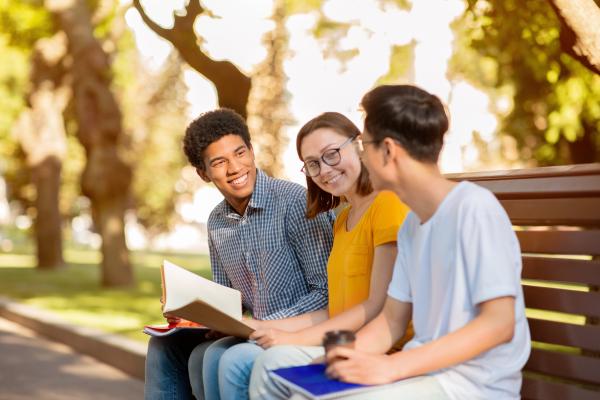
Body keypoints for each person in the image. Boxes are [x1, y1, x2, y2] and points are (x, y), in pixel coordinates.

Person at [312, 85, 531, 399]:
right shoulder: (412, 224)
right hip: (422, 377)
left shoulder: (474, 209)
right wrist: (341, 359)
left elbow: (498, 324)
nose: (362, 156)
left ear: (388, 151)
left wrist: (391, 367)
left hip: (471, 388)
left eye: (365, 144)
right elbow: (391, 319)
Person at [144, 108, 334, 400]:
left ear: (252, 151)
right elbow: (232, 302)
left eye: (240, 153)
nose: (234, 168)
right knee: (165, 347)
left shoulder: (295, 202)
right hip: (250, 329)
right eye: (219, 162)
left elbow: (326, 291)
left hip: (298, 329)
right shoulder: (217, 222)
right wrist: (190, 310)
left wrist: (263, 324)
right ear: (203, 173)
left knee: (213, 357)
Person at [242, 112, 410, 400]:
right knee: (234, 355)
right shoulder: (342, 220)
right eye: (312, 164)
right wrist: (264, 325)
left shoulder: (388, 205)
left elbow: (376, 305)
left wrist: (292, 340)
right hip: (342, 338)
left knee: (259, 363)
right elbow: (338, 309)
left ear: (358, 145)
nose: (324, 170)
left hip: (380, 349)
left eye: (331, 154)